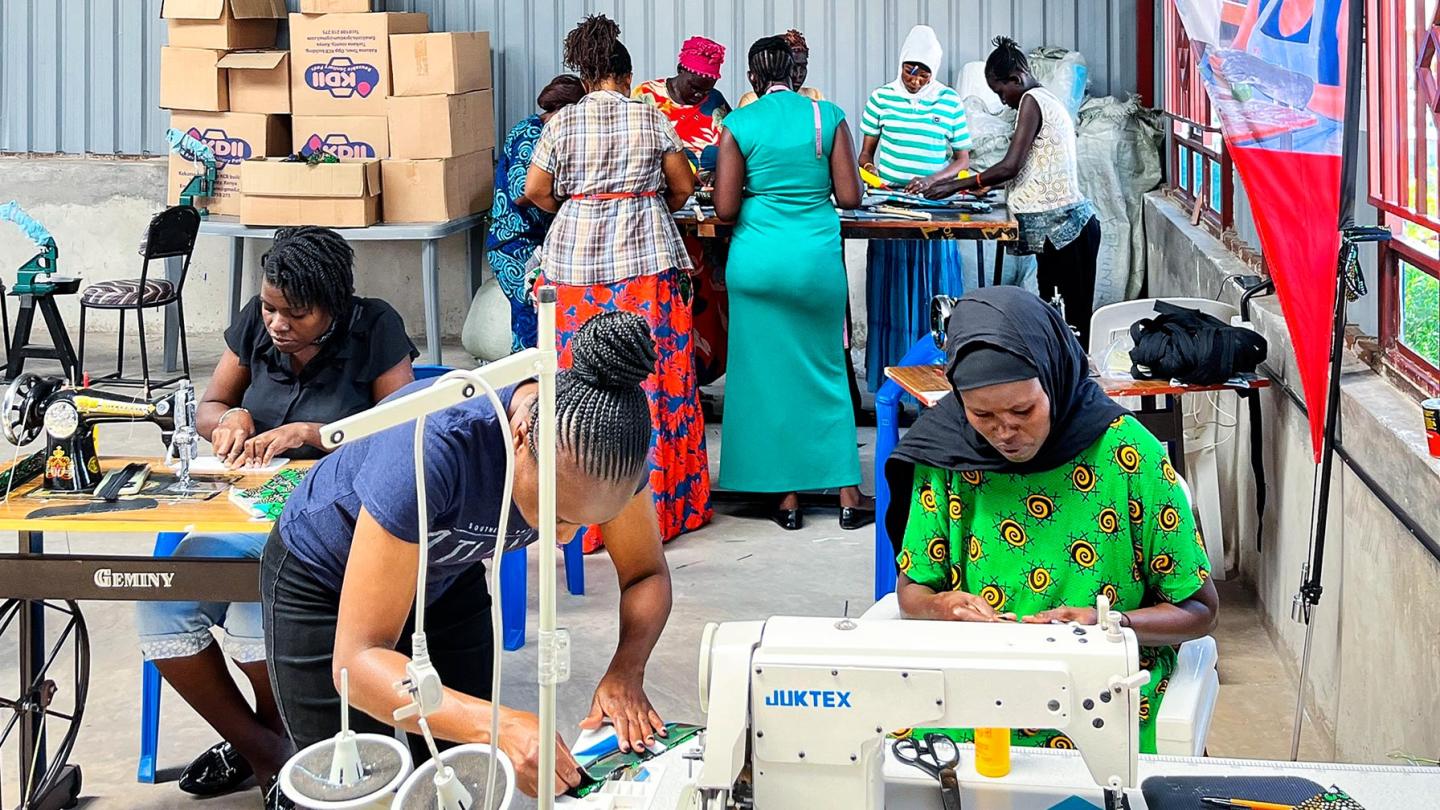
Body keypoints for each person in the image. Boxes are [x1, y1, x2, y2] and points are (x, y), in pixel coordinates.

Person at [262, 312, 673, 800]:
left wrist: (626, 670)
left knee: (460, 780)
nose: (566, 538)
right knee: (344, 785)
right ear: (520, 437)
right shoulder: (433, 449)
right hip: (322, 575)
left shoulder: (605, 452)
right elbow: (358, 661)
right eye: (559, 514)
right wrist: (499, 727)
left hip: (445, 573)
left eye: (591, 521)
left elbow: (646, 574)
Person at [135, 226, 417, 799]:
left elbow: (405, 432)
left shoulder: (375, 328)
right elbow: (210, 405)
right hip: (247, 510)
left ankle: (277, 752)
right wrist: (230, 420)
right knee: (159, 600)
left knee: (248, 612)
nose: (278, 324)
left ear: (333, 306)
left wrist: (314, 434)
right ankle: (269, 752)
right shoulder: (259, 327)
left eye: (296, 314)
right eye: (269, 309)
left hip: (333, 521)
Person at [884, 287, 1219, 753]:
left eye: (1023, 411)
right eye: (982, 414)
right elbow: (912, 592)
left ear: (1055, 379)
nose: (1005, 432)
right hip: (977, 691)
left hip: (1105, 689)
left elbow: (1198, 610)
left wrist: (1110, 624)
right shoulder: (946, 457)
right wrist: (944, 607)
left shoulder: (1124, 454)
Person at [524, 14, 711, 552]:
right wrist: (645, 203)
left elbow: (537, 190)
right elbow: (682, 184)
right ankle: (663, 509)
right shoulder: (647, 117)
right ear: (625, 76)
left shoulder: (562, 123)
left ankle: (581, 515)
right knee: (654, 379)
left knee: (578, 382)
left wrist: (580, 208)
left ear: (585, 78)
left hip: (573, 267)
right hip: (645, 260)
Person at [713, 36, 872, 531]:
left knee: (766, 381)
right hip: (813, 265)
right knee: (826, 373)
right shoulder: (828, 117)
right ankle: (847, 493)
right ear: (797, 74)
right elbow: (849, 196)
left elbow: (725, 209)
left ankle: (785, 499)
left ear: (752, 78)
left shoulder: (738, 124)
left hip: (757, 265)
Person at [916, 37, 1101, 344]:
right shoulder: (1044, 100)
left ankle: (1067, 389)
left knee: (1068, 331)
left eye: (1001, 92)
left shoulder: (1032, 101)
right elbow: (1032, 168)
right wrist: (986, 184)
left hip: (1067, 231)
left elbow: (1011, 165)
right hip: (1063, 232)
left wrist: (957, 184)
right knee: (1064, 329)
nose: (1003, 100)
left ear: (1016, 79)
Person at [859, 24, 974, 391]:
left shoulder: (949, 102)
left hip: (933, 207)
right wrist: (871, 170)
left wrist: (934, 181)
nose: (915, 77)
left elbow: (961, 159)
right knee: (892, 295)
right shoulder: (881, 98)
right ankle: (891, 384)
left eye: (923, 71)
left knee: (933, 294)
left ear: (934, 71)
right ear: (900, 64)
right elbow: (865, 153)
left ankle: (939, 380)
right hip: (890, 206)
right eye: (910, 68)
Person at [632, 35, 732, 386]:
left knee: (705, 310)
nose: (698, 94)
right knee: (666, 306)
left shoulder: (716, 104)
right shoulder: (645, 97)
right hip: (659, 221)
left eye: (707, 87)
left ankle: (694, 384)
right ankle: (669, 381)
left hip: (702, 230)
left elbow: (731, 153)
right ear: (679, 71)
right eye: (694, 85)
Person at [486, 74, 586, 352]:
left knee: (546, 320)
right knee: (530, 321)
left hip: (538, 241)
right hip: (515, 244)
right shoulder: (530, 134)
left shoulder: (547, 132)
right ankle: (524, 388)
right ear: (566, 111)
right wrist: (567, 201)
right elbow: (523, 192)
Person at [736, 29, 822, 107]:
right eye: (792, 67)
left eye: (803, 67)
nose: (798, 74)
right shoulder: (751, 101)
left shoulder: (814, 95)